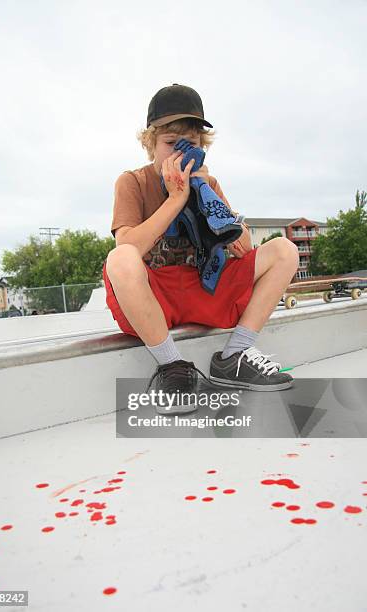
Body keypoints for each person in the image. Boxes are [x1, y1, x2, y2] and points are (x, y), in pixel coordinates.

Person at [103, 84, 299, 414]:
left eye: (190, 145)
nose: (179, 155)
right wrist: (176, 199)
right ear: (151, 143)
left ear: (201, 147)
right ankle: (172, 367)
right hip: (154, 298)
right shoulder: (132, 181)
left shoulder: (208, 184)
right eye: (170, 144)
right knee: (119, 257)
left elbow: (242, 246)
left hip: (204, 288)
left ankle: (233, 357)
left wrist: (206, 197)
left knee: (284, 250)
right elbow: (128, 246)